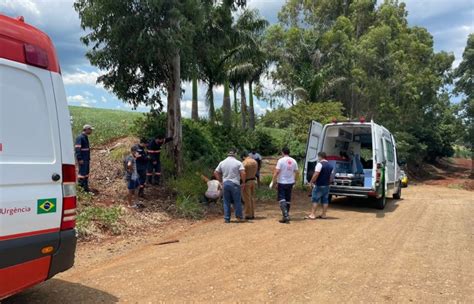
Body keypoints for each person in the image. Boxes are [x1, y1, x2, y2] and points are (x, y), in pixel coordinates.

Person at [214, 148, 246, 223]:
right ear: (235, 154)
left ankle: (227, 218)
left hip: (225, 183)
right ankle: (238, 217)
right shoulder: (238, 163)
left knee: (226, 201)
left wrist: (220, 182)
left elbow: (215, 172)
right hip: (235, 184)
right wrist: (243, 182)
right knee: (237, 201)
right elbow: (243, 173)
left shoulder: (222, 162)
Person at [272, 147, 299, 224]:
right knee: (288, 199)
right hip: (290, 182)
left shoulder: (280, 160)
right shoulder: (294, 161)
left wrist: (273, 181)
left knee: (281, 199)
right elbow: (297, 172)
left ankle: (285, 215)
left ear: (282, 152)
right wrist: (295, 181)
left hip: (282, 182)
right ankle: (286, 216)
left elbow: (277, 171)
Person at [306, 152, 334, 219]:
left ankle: (312, 214)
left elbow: (316, 174)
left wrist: (311, 182)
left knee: (315, 199)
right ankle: (324, 214)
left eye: (318, 157)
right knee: (325, 200)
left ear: (320, 157)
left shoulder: (319, 164)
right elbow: (331, 177)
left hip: (319, 185)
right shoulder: (331, 165)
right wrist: (329, 182)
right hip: (326, 186)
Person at [75, 124, 94, 192]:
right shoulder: (80, 137)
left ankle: (85, 188)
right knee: (82, 174)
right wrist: (79, 159)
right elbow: (77, 149)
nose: (91, 131)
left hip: (86, 159)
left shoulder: (85, 137)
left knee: (86, 173)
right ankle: (80, 189)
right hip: (82, 159)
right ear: (86, 129)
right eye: (90, 129)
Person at [241, 152, 258, 220]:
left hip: (247, 181)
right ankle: (252, 213)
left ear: (243, 157)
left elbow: (243, 173)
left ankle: (248, 214)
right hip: (253, 180)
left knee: (247, 198)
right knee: (252, 197)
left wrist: (243, 182)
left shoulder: (244, 163)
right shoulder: (255, 161)